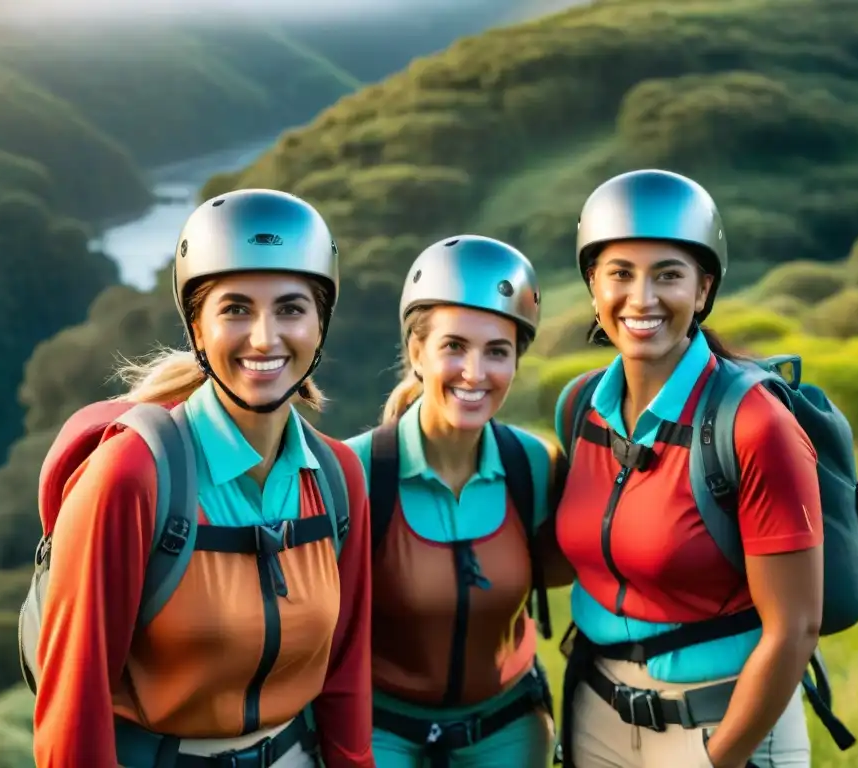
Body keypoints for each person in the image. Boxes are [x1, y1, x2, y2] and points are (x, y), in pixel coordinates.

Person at [29, 189, 375, 768]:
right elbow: (74, 709)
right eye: (235, 309)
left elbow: (345, 676)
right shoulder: (133, 476)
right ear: (197, 327)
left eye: (291, 308)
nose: (265, 337)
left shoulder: (339, 478)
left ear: (321, 324)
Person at [553, 170, 823, 768]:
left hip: (724, 730)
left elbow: (795, 630)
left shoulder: (754, 425)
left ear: (703, 290)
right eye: (620, 273)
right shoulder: (578, 407)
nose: (641, 299)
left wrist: (717, 761)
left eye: (668, 275)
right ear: (592, 285)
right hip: (598, 716)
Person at [344, 235, 575, 768]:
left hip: (509, 731)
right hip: (380, 732)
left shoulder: (535, 466)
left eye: (497, 351)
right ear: (417, 352)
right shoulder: (354, 472)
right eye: (454, 347)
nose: (475, 373)